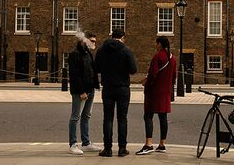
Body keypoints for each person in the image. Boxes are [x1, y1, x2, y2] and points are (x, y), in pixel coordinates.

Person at [95, 29, 137, 157]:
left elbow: (96, 68)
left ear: (112, 36)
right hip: (122, 88)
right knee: (122, 119)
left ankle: (107, 149)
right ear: (122, 37)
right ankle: (122, 148)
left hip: (108, 87)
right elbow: (133, 70)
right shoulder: (126, 50)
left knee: (107, 119)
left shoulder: (102, 50)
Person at [136, 36, 177, 155]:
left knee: (148, 116)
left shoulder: (157, 56)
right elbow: (174, 76)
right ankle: (162, 144)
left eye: (156, 43)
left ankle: (148, 144)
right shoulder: (172, 58)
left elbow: (153, 74)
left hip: (154, 92)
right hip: (165, 92)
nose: (156, 45)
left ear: (159, 44)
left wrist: (146, 84)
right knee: (163, 118)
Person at [68, 31, 101, 155]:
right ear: (84, 40)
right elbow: (75, 75)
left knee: (86, 116)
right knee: (75, 117)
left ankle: (86, 143)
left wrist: (95, 86)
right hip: (80, 92)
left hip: (90, 89)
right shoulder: (74, 54)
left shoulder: (88, 54)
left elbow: (92, 71)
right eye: (92, 41)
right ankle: (72, 144)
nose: (94, 44)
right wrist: (81, 91)